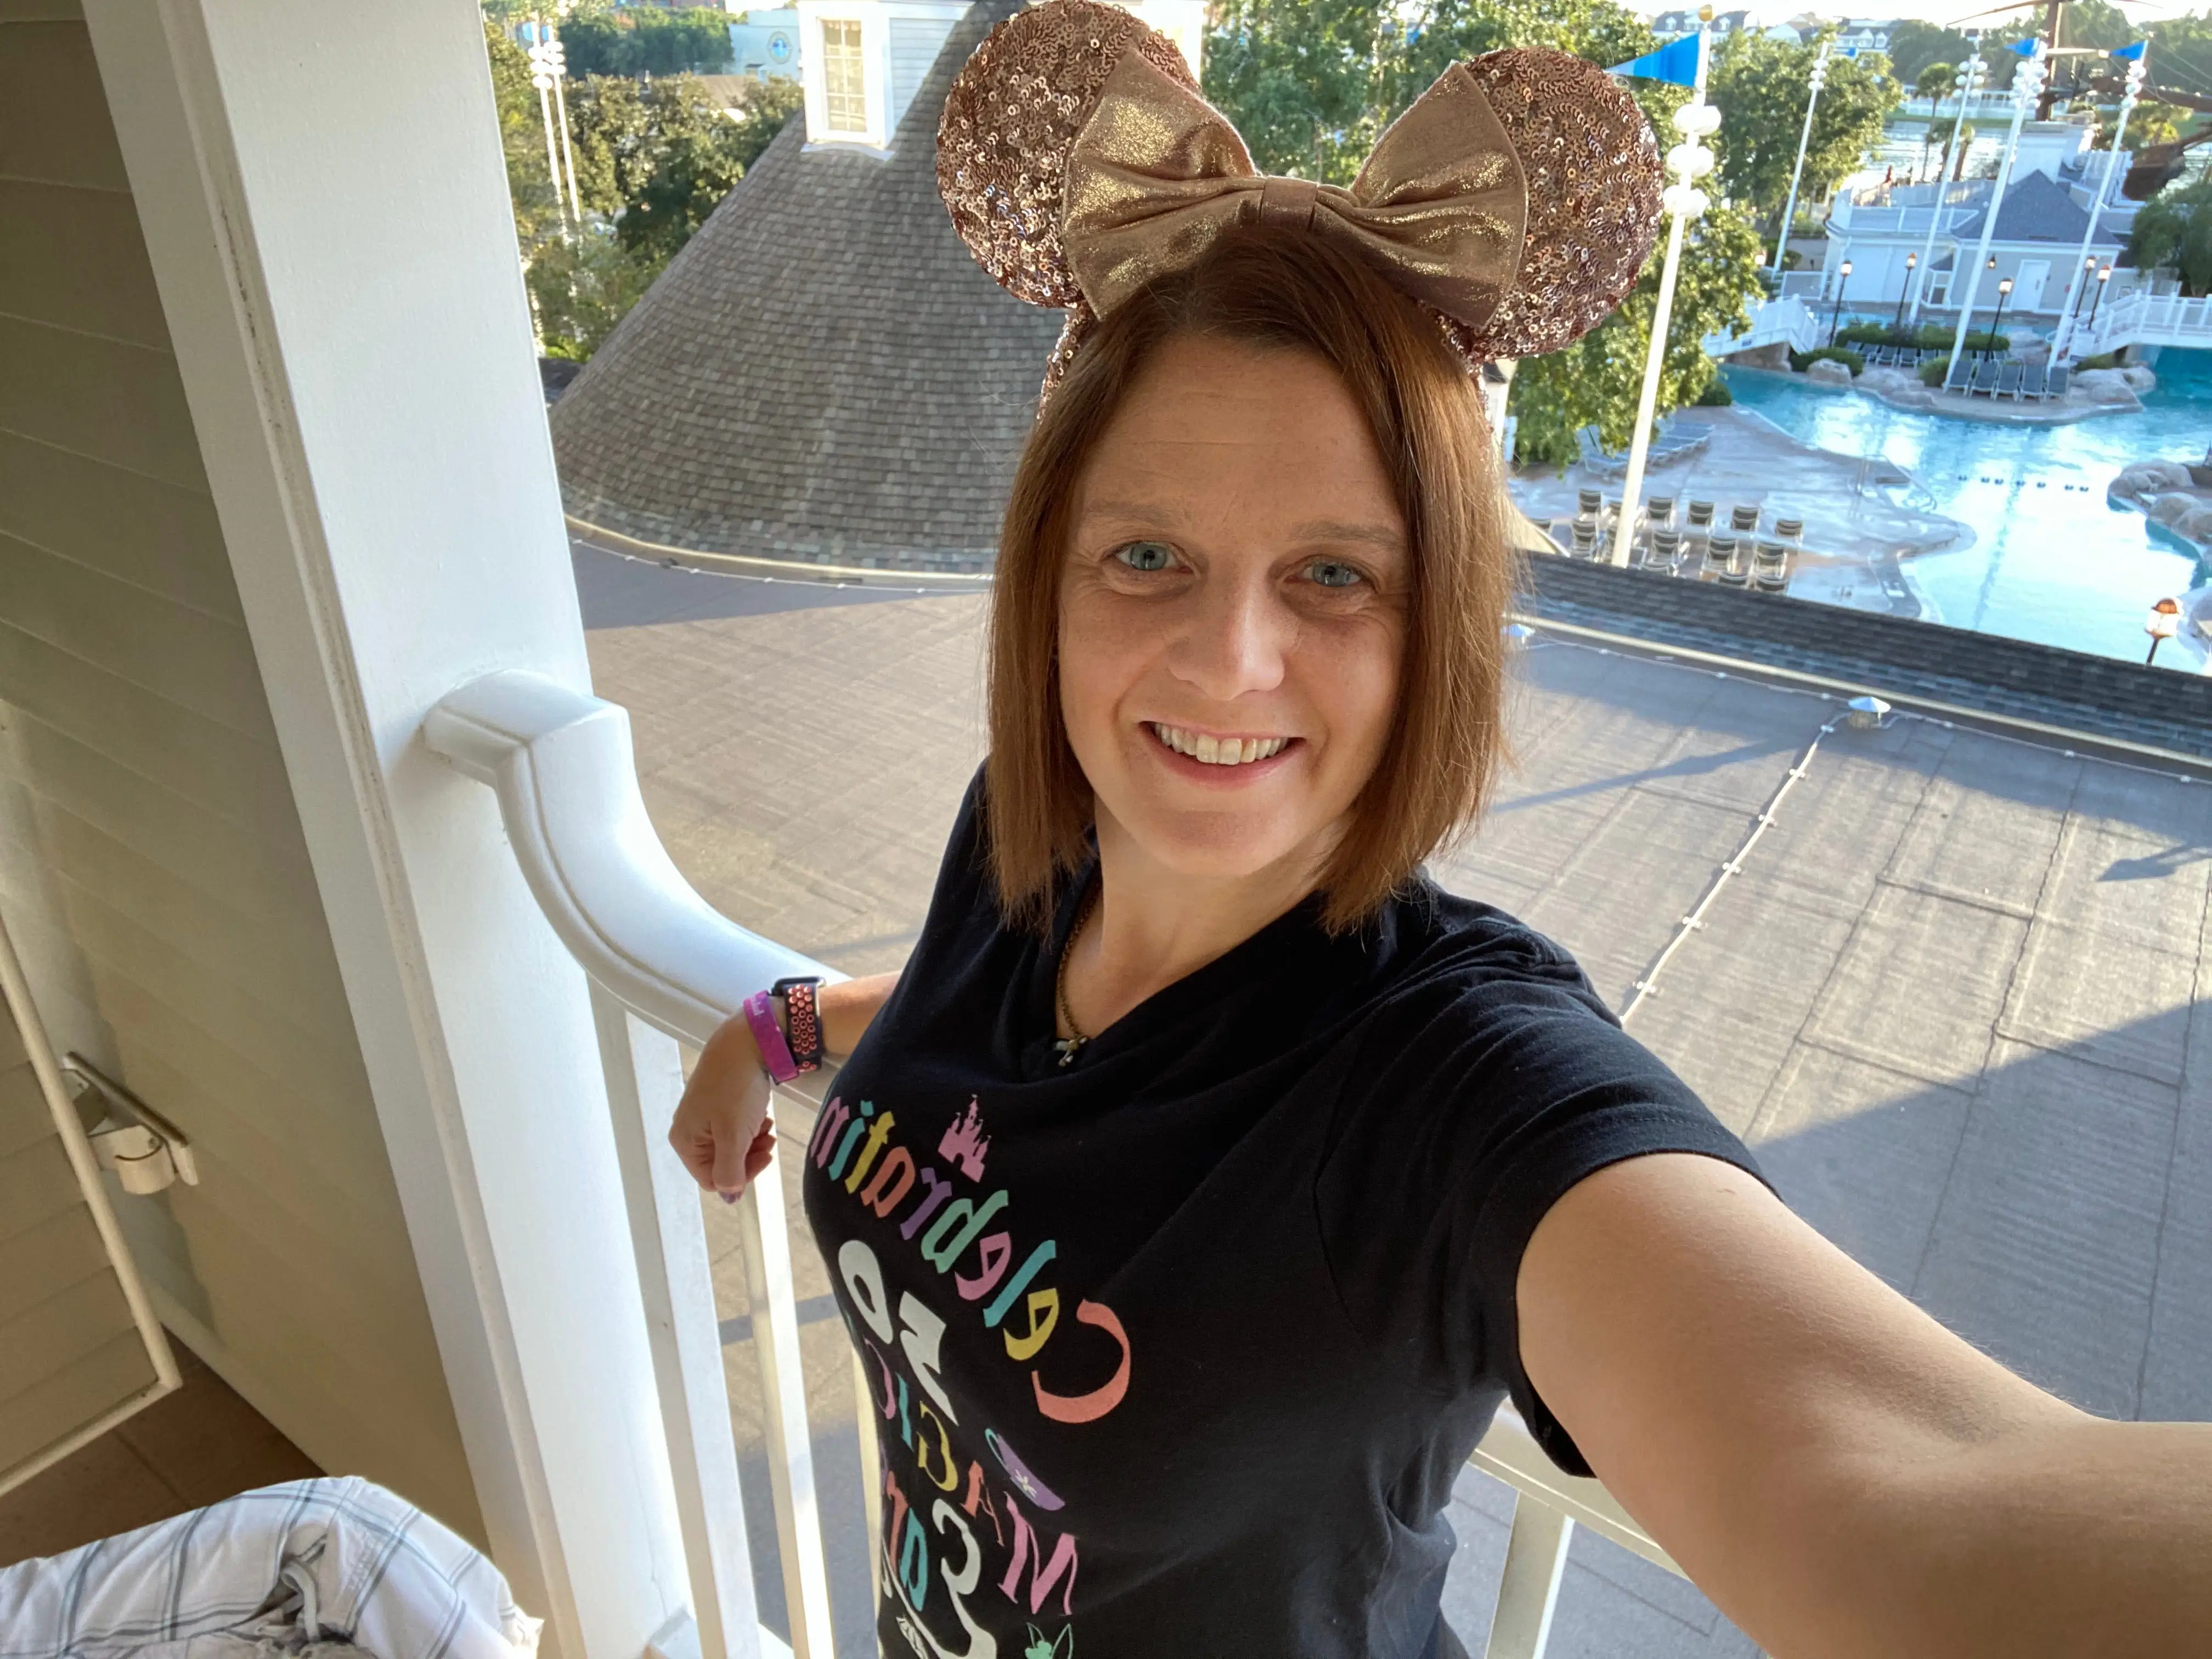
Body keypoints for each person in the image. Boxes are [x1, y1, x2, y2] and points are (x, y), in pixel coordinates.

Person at [669, 5, 2212, 1655]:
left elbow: (1924, 1501)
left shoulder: (1453, 1092)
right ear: (1048, 581)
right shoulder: (1026, 843)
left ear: (1441, 632)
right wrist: (781, 1027)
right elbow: (981, 1039)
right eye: (1146, 557)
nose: (1228, 661)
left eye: (1334, 574)